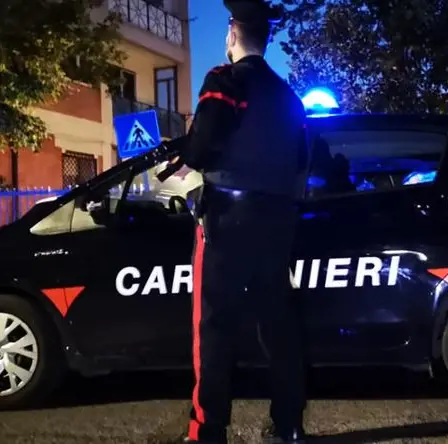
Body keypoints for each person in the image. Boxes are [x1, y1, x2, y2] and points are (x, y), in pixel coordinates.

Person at [175, 1, 309, 442]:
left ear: (232, 34)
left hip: (227, 219)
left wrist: (188, 154)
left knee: (214, 325)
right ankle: (289, 426)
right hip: (278, 219)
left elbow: (201, 147)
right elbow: (302, 161)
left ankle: (208, 430)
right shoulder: (288, 96)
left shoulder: (224, 80)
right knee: (278, 323)